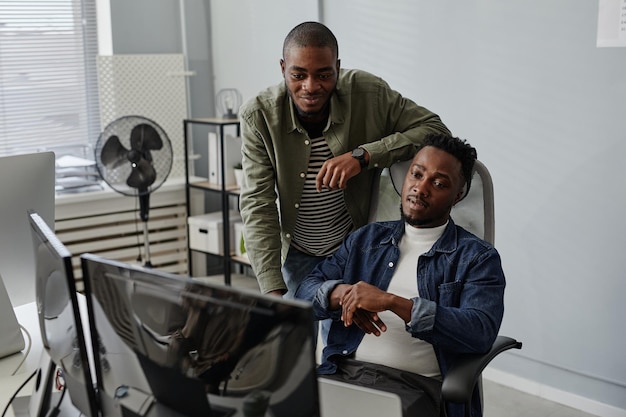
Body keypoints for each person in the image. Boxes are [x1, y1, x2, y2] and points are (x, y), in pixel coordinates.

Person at [295, 133, 506, 417]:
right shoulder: (365, 239)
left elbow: (480, 331)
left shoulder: (477, 257)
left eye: (439, 183)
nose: (421, 188)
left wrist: (393, 302)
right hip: (342, 375)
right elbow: (305, 291)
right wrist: (344, 294)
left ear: (457, 195)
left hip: (415, 389)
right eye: (416, 174)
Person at [239, 21, 451, 298]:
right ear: (282, 69)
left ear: (337, 67)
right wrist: (272, 288)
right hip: (297, 252)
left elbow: (435, 129)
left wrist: (364, 155)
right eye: (298, 75)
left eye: (324, 75)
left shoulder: (369, 93)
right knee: (295, 337)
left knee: (345, 339)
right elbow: (258, 203)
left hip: (355, 249)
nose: (310, 87)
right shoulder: (259, 116)